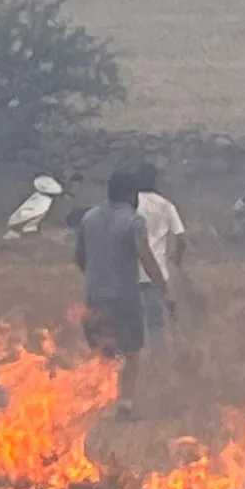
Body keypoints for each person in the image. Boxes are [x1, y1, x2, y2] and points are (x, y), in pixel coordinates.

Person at [75, 169, 172, 419]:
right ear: (131, 195)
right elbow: (145, 255)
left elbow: (79, 257)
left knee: (103, 350)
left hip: (95, 296)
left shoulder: (89, 218)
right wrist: (162, 286)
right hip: (124, 297)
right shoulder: (133, 220)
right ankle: (125, 404)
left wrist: (97, 276)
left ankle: (100, 401)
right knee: (131, 349)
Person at [131, 161, 186, 349]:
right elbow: (181, 237)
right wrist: (176, 260)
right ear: (156, 180)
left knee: (130, 321)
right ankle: (157, 360)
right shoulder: (166, 205)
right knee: (155, 323)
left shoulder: (130, 205)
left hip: (129, 272)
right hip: (157, 273)